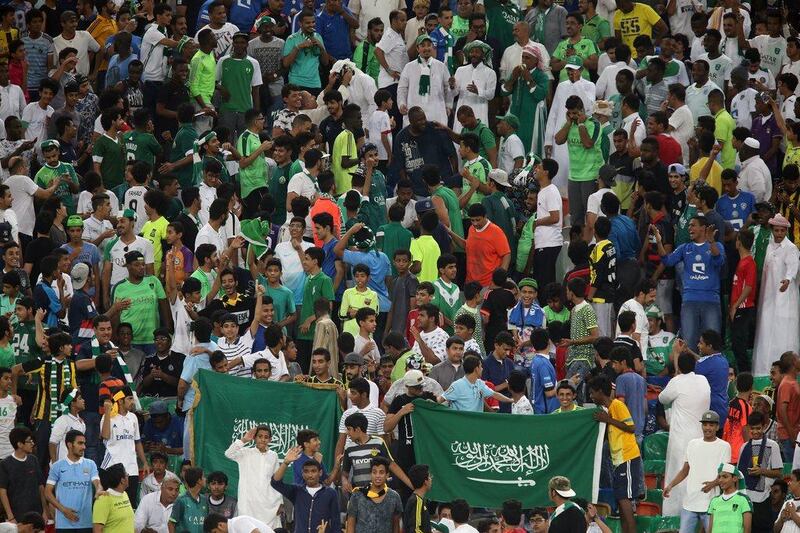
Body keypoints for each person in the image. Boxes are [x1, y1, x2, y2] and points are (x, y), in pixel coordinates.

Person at [655, 216, 725, 352]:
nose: (689, 228)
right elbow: (668, 261)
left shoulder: (717, 246)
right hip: (689, 301)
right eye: (689, 226)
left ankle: (711, 371)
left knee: (712, 343)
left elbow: (719, 262)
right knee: (689, 342)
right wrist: (659, 242)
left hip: (711, 301)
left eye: (693, 225)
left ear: (703, 228)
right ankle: (690, 371)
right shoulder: (684, 248)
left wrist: (711, 242)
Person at [663, 410, 732, 530]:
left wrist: (713, 484)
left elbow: (725, 473)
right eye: (705, 424)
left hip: (711, 504)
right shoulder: (692, 444)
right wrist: (670, 485)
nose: (707, 428)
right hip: (689, 503)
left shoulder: (724, 446)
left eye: (711, 425)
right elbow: (685, 470)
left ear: (717, 427)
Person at [589, 375, 641, 533]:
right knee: (620, 500)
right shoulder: (609, 410)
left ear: (599, 392)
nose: (590, 396)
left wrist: (608, 420)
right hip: (618, 461)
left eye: (592, 393)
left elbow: (631, 427)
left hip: (628, 457)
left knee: (625, 501)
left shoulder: (617, 405)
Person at [753, 214, 800, 377]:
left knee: (783, 333)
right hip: (768, 298)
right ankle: (764, 371)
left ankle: (786, 371)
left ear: (786, 231)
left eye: (782, 231)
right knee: (765, 332)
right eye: (776, 230)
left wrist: (788, 280)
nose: (779, 234)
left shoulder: (791, 248)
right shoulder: (769, 246)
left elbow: (792, 267)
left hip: (784, 300)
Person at [223, 426, 282, 528]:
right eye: (260, 436)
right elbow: (228, 453)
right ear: (255, 438)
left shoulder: (274, 455)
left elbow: (276, 480)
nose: (263, 439)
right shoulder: (245, 453)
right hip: (248, 503)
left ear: (270, 439)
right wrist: (244, 439)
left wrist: (280, 502)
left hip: (268, 505)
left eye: (266, 437)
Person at [45, 429, 103, 532]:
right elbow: (47, 492)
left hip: (86, 523)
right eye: (80, 443)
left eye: (84, 444)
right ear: (69, 445)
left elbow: (97, 483)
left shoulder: (90, 464)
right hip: (63, 524)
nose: (84, 447)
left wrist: (98, 490)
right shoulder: (57, 466)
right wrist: (64, 510)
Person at [101, 387, 149, 507]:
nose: (133, 402)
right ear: (120, 401)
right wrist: (107, 412)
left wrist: (144, 462)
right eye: (130, 398)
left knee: (129, 504)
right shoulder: (108, 417)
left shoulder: (133, 417)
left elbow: (137, 442)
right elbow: (105, 436)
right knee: (112, 505)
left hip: (131, 470)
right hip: (112, 467)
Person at [0, 427, 47, 524]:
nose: (32, 444)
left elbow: (41, 487)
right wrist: (10, 517)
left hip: (37, 515)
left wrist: (45, 511)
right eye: (29, 441)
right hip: (18, 517)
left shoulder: (33, 460)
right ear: (20, 444)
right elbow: (2, 492)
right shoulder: (5, 464)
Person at [346, 456, 403, 533]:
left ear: (387, 475)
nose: (377, 476)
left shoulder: (394, 497)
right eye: (374, 472)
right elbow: (350, 525)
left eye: (381, 472)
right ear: (370, 474)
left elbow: (396, 526)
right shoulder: (357, 495)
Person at [438, 354, 512, 411]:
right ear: (476, 369)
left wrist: (510, 400)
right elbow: (440, 399)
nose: (482, 369)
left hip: (476, 424)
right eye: (481, 366)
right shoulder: (457, 385)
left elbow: (494, 394)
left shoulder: (480, 384)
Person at [707, 463, 753, 532]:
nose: (720, 480)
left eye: (725, 477)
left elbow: (747, 529)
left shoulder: (744, 499)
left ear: (734, 478)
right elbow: (710, 528)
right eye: (719, 477)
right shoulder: (714, 501)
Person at [92, 463, 134, 533]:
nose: (128, 476)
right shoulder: (103, 499)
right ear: (122, 480)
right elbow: (97, 530)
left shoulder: (124, 494)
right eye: (127, 475)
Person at [169, 467, 209, 533]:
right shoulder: (181, 500)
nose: (205, 479)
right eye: (203, 477)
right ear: (199, 481)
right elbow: (171, 523)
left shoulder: (204, 500)